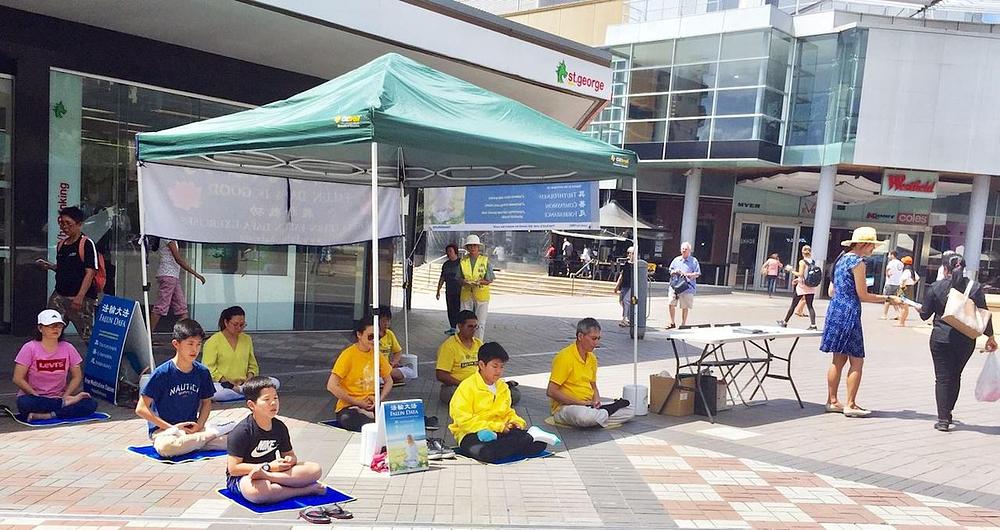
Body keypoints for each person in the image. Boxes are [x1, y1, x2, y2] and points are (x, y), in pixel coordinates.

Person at [821, 227, 899, 418]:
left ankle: (832, 401)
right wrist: (888, 299)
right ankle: (851, 404)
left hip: (835, 309)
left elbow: (833, 290)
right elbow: (863, 294)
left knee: (837, 359)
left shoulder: (840, 260)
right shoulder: (858, 262)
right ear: (864, 244)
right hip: (849, 312)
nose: (873, 249)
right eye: (872, 245)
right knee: (857, 360)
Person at [918, 254, 997, 431]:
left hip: (940, 339)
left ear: (944, 269)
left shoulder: (936, 287)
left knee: (942, 378)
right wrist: (990, 337)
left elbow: (924, 315)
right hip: (965, 341)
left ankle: (943, 419)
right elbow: (984, 315)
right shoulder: (975, 287)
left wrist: (919, 308)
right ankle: (948, 411)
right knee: (955, 376)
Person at [449, 342, 559, 464]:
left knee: (540, 444)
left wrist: (515, 422)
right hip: (473, 434)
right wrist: (497, 427)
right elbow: (463, 421)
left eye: (502, 367)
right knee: (487, 453)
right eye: (495, 366)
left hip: (501, 432)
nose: (499, 371)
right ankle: (524, 439)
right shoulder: (467, 387)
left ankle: (521, 440)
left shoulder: (502, 386)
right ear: (481, 365)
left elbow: (508, 411)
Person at [136, 319, 230, 457]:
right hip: (165, 431)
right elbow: (141, 408)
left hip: (193, 429)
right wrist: (172, 428)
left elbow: (206, 402)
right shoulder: (162, 373)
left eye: (198, 344)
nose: (195, 349)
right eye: (190, 344)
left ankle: (195, 441)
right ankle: (202, 440)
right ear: (176, 344)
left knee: (233, 441)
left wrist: (199, 425)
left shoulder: (202, 372)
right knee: (166, 448)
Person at [225, 376, 324, 504]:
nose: (273, 403)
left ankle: (275, 484)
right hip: (244, 477)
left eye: (275, 398)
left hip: (272, 473)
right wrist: (267, 466)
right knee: (258, 493)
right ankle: (304, 490)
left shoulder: (279, 427)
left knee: (314, 469)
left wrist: (289, 460)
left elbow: (289, 455)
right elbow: (234, 468)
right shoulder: (241, 432)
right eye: (266, 399)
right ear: (251, 405)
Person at [12, 310, 98, 421]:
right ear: (40, 328)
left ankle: (48, 415)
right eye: (51, 326)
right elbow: (17, 378)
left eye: (59, 326)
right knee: (24, 403)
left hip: (59, 396)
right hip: (35, 398)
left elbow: (77, 376)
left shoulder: (68, 348)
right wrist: (35, 396)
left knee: (90, 404)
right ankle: (63, 405)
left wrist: (66, 395)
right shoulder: (29, 348)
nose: (56, 329)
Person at [547, 318, 633, 428]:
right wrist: (581, 403)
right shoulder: (564, 357)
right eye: (593, 338)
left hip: (589, 406)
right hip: (567, 407)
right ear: (580, 336)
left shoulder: (592, 358)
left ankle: (599, 416)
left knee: (630, 410)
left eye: (598, 338)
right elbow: (551, 391)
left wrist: (596, 401)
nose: (596, 343)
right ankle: (605, 412)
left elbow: (594, 387)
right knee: (584, 417)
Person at [37, 206, 100, 342]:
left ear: (79, 224)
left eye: (68, 224)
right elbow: (66, 269)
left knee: (88, 336)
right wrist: (50, 266)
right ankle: (51, 358)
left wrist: (80, 297)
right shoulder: (62, 244)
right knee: (49, 330)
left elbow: (90, 272)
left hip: (80, 298)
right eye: (62, 223)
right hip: (60, 295)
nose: (65, 227)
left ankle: (98, 361)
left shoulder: (86, 244)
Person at [326, 318, 393, 432]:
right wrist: (357, 402)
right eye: (370, 336)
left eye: (377, 337)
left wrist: (379, 399)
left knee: (393, 420)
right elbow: (331, 385)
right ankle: (371, 417)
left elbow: (389, 380)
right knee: (353, 420)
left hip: (371, 404)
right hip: (348, 407)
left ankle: (371, 417)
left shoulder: (377, 354)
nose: (373, 341)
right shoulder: (348, 355)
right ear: (359, 335)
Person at [202, 306, 279, 402]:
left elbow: (253, 365)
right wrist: (227, 382)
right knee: (215, 393)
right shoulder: (213, 341)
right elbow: (208, 368)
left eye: (242, 325)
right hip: (222, 385)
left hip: (244, 384)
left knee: (275, 382)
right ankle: (248, 394)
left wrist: (249, 380)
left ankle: (244, 392)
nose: (239, 328)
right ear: (226, 322)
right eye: (235, 324)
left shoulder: (247, 339)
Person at [149, 239, 206, 334]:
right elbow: (178, 259)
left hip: (173, 276)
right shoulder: (167, 238)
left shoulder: (168, 238)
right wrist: (196, 274)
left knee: (181, 307)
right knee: (160, 307)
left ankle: (189, 334)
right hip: (168, 275)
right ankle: (147, 336)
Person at [436, 310, 483, 404]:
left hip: (478, 384)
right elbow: (440, 375)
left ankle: (481, 399)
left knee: (514, 394)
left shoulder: (479, 343)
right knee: (452, 394)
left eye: (475, 327)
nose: (473, 330)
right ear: (460, 326)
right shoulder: (449, 346)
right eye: (470, 326)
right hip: (456, 386)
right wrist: (463, 384)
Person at [458, 234, 494, 340]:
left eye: (475, 245)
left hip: (481, 295)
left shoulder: (485, 261)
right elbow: (458, 278)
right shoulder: (463, 261)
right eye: (470, 246)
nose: (473, 248)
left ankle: (478, 346)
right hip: (466, 294)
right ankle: (463, 342)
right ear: (467, 248)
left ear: (478, 247)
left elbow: (489, 279)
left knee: (480, 323)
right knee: (464, 321)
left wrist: (479, 282)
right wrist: (464, 281)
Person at [778, 245, 818, 330]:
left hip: (802, 286)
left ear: (802, 252)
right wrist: (797, 279)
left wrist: (791, 270)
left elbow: (801, 274)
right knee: (810, 306)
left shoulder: (802, 262)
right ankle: (813, 325)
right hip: (810, 286)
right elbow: (808, 274)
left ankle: (785, 322)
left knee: (793, 305)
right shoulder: (813, 262)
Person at [666, 242, 701, 329]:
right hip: (675, 285)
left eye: (686, 249)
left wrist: (686, 274)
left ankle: (683, 324)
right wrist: (674, 272)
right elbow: (670, 270)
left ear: (690, 250)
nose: (684, 250)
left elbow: (697, 274)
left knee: (685, 306)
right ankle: (672, 322)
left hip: (687, 287)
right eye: (682, 249)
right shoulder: (676, 260)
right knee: (671, 303)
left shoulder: (694, 261)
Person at [378, 306, 416, 384]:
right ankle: (385, 379)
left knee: (410, 372)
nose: (386, 324)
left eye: (388, 321)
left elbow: (398, 351)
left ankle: (385, 379)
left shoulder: (389, 334)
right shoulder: (371, 333)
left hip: (387, 368)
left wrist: (394, 362)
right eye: (383, 321)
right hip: (373, 369)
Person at [435, 243, 462, 335]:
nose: (449, 253)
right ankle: (452, 327)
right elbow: (442, 278)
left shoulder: (461, 263)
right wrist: (438, 290)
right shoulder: (446, 264)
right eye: (447, 251)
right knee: (450, 309)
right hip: (449, 291)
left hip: (459, 291)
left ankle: (459, 327)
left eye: (450, 251)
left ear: (455, 252)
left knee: (458, 309)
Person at [895, 256, 920, 327]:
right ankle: (902, 321)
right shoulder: (912, 271)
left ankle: (901, 322)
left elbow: (903, 279)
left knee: (903, 306)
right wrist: (912, 283)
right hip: (910, 288)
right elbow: (917, 278)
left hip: (904, 288)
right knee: (905, 306)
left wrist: (902, 286)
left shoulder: (906, 271)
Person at [613, 247, 634, 327]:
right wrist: (617, 285)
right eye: (628, 253)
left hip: (630, 286)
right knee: (621, 301)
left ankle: (624, 319)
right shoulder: (626, 264)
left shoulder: (636, 265)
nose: (629, 255)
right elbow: (622, 275)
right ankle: (628, 316)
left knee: (626, 301)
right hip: (624, 285)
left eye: (631, 253)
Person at [882, 251, 904, 321]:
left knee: (887, 299)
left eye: (889, 255)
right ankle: (898, 314)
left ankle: (884, 315)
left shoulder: (891, 263)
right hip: (898, 284)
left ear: (892, 255)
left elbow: (887, 271)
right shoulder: (900, 263)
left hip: (890, 283)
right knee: (895, 300)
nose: (888, 256)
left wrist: (887, 275)